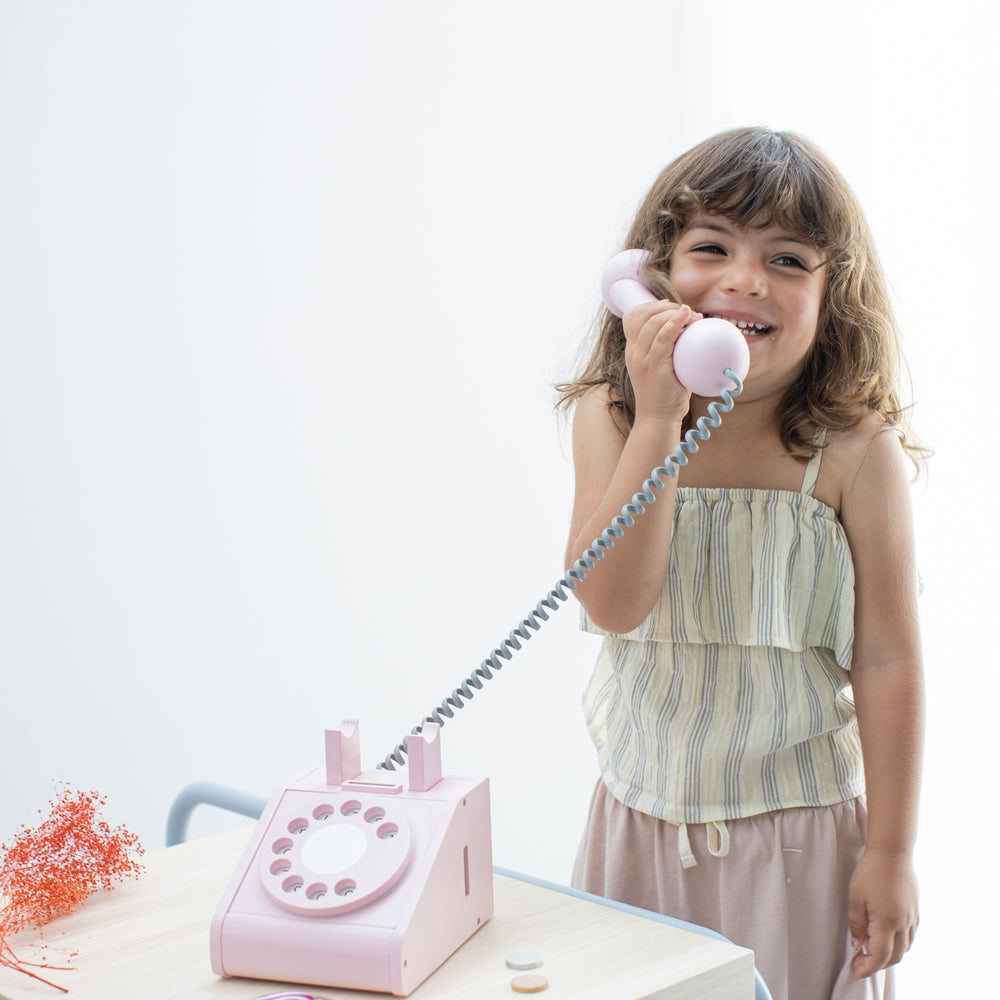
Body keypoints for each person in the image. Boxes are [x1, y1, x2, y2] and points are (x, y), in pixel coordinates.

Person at [557, 127, 925, 1000]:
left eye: (788, 259)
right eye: (711, 247)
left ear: (833, 296)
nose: (745, 280)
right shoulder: (613, 419)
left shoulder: (853, 454)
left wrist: (892, 852)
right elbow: (614, 604)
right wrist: (659, 422)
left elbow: (889, 659)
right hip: (638, 830)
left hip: (796, 843)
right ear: (647, 279)